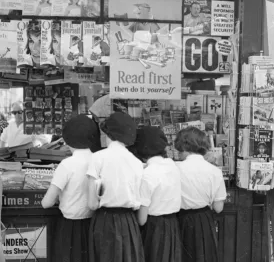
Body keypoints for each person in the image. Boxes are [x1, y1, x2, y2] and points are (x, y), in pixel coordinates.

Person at [87, 112, 145, 262]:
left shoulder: (97, 158)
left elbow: (92, 204)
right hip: (129, 222)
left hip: (104, 221)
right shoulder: (137, 163)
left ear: (107, 134)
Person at [41, 115, 101, 262]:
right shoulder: (100, 160)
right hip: (95, 225)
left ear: (67, 139)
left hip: (70, 228)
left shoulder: (67, 165)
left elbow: (47, 203)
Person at [174, 126, 227, 262]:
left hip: (180, 219)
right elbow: (218, 208)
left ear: (184, 146)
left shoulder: (175, 168)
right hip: (204, 221)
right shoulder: (215, 171)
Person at [135, 126, 182, 262]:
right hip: (172, 224)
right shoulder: (172, 166)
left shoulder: (147, 174)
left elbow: (142, 219)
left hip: (153, 228)